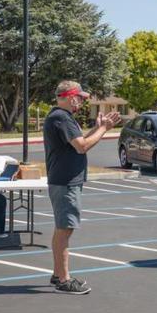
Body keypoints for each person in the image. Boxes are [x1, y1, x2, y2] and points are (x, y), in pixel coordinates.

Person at [43, 80, 121, 295]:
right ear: (70, 97)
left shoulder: (62, 117)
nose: (82, 102)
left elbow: (79, 141)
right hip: (65, 181)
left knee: (62, 229)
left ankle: (58, 273)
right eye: (80, 98)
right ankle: (64, 280)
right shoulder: (61, 117)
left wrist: (98, 127)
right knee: (64, 230)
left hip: (65, 180)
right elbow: (82, 147)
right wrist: (104, 128)